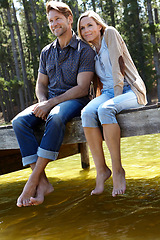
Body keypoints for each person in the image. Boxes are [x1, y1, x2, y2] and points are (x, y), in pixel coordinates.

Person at [12, 1, 95, 207]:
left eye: (57, 18)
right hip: (50, 101)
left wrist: (51, 104)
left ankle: (33, 181)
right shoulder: (46, 52)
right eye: (50, 20)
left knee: (56, 115)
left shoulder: (84, 50)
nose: (54, 23)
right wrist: (42, 103)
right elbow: (41, 84)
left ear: (69, 19)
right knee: (18, 122)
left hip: (75, 100)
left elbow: (83, 87)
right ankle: (43, 183)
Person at [77, 10, 147, 197]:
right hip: (108, 93)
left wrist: (114, 100)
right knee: (86, 113)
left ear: (99, 26)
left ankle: (118, 170)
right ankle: (102, 170)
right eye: (82, 28)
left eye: (90, 25)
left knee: (105, 109)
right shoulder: (91, 51)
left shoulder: (110, 34)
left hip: (130, 89)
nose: (86, 30)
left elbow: (118, 68)